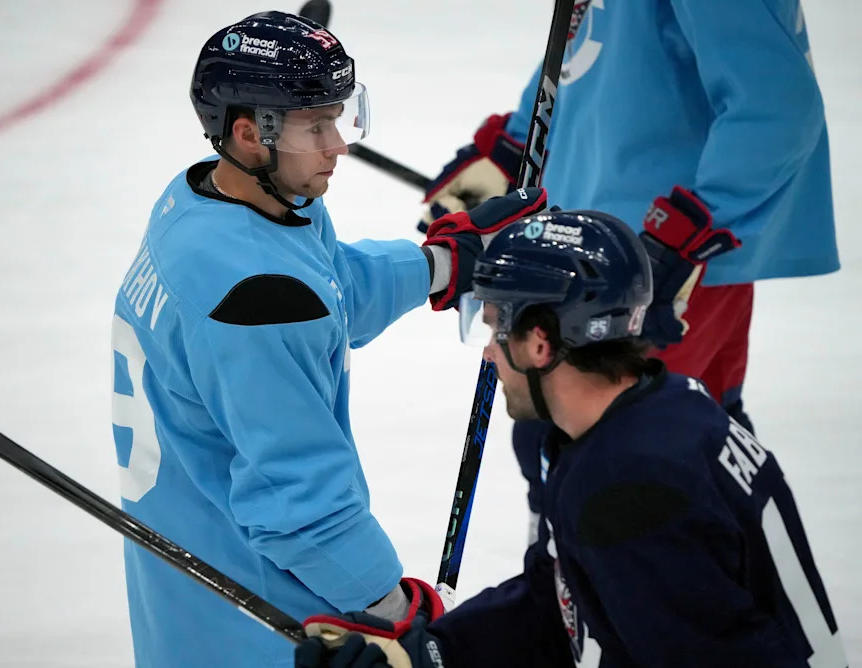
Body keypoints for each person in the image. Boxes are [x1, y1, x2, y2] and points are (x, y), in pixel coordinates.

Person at [109, 10, 548, 666]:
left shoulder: (209, 202)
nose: (339, 144)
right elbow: (298, 505)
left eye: (341, 118)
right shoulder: (252, 299)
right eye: (317, 126)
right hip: (267, 627)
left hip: (190, 592)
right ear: (249, 133)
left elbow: (331, 286)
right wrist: (397, 613)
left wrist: (448, 262)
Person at [295, 211, 847, 667]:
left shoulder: (629, 493)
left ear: (540, 342)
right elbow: (556, 599)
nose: (489, 352)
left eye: (493, 328)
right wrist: (432, 653)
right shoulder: (657, 410)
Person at [419, 0, 839, 544]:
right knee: (632, 446)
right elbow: (582, 54)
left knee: (618, 451)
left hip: (653, 268)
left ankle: (625, 612)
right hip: (590, 247)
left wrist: (687, 232)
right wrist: (513, 148)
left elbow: (776, 106)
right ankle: (578, 607)